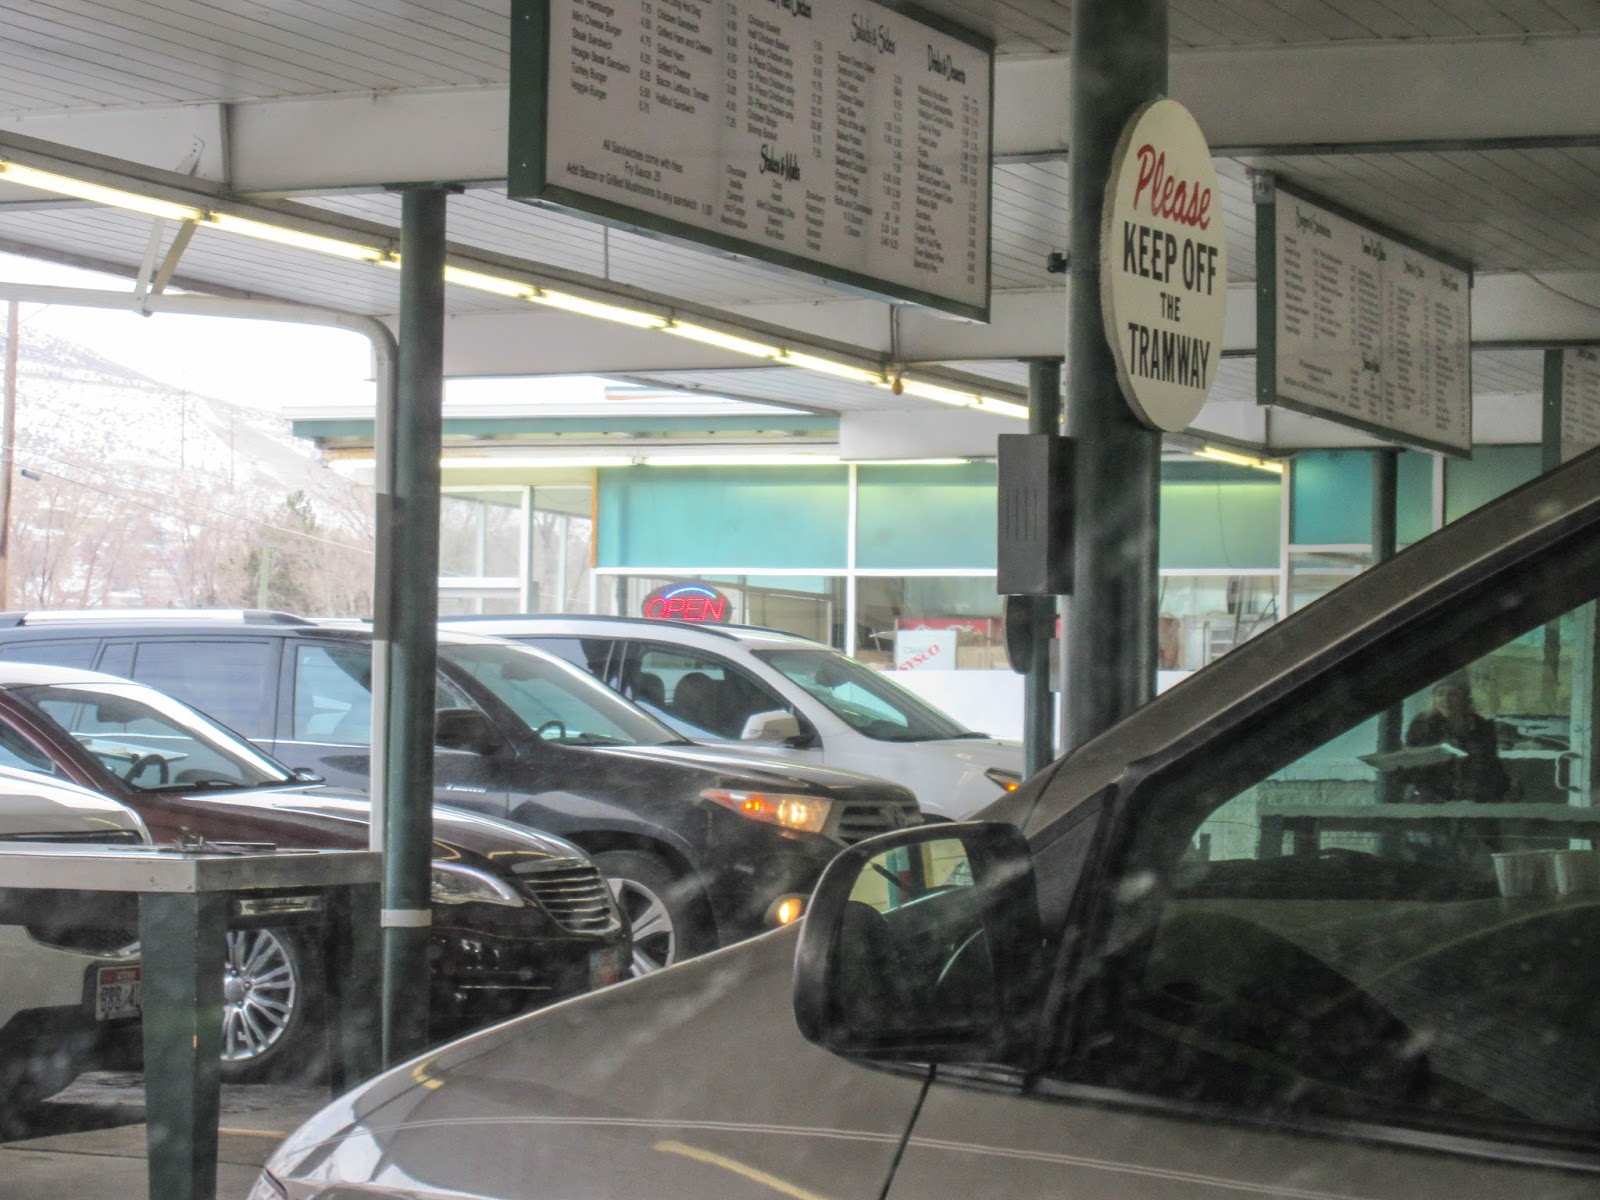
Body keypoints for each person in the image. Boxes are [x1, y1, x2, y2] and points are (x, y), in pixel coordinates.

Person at [1402, 676, 1511, 805]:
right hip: (1432, 802)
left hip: (1476, 802)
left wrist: (1508, 788)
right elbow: (1411, 770)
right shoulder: (1422, 726)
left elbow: (1492, 767)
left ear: (1465, 698)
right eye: (1440, 694)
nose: (1446, 700)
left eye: (1453, 694)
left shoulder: (1482, 727)